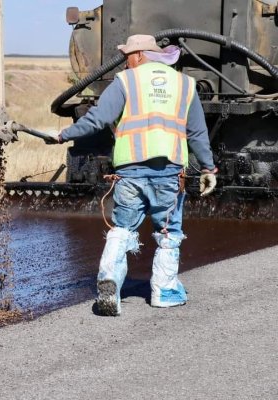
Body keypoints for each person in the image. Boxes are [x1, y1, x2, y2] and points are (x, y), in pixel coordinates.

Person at [55, 34, 217, 316]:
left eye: (128, 55)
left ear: (140, 55)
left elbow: (98, 119)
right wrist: (207, 168)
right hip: (169, 174)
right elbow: (197, 133)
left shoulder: (125, 81)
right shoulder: (185, 85)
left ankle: (110, 283)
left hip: (130, 173)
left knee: (122, 229)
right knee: (168, 232)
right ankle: (164, 292)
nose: (125, 60)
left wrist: (62, 135)